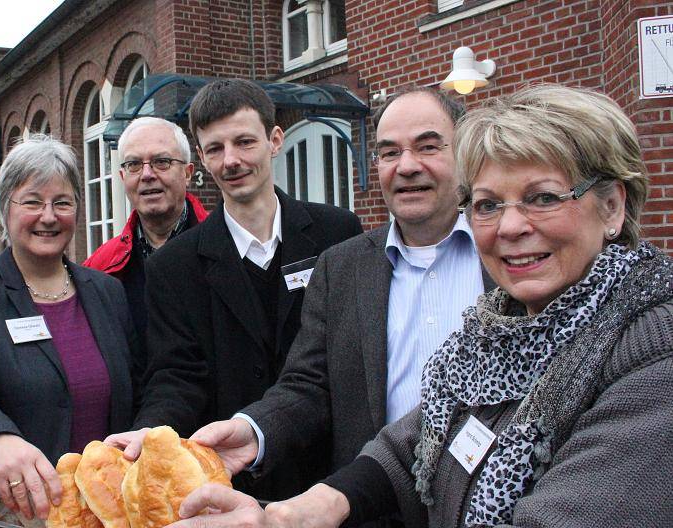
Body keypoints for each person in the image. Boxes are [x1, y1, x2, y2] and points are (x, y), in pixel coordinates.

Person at [170, 84, 673, 527]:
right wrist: (285, 515)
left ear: (612, 206)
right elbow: (417, 436)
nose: (510, 226)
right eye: (490, 205)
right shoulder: (497, 328)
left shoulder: (650, 350)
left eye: (542, 197)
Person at [187, 88, 491, 524]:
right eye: (388, 153)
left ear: (463, 151)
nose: (406, 166)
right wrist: (255, 432)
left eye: (427, 146)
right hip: (372, 508)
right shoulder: (343, 266)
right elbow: (308, 384)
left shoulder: (506, 256)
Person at [107, 78, 363, 500]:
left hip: (331, 474)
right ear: (202, 159)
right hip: (232, 484)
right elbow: (176, 374)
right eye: (215, 148)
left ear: (274, 139)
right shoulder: (175, 265)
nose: (231, 160)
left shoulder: (337, 233)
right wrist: (150, 432)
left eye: (244, 142)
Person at [0, 134, 141, 524]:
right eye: (32, 201)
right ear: (4, 211)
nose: (48, 216)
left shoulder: (107, 291)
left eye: (62, 202)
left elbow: (138, 385)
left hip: (109, 509)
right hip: (22, 511)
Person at [84, 117, 208, 345]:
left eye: (162, 161)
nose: (147, 174)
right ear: (123, 178)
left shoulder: (228, 246)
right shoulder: (99, 268)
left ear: (188, 173)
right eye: (133, 164)